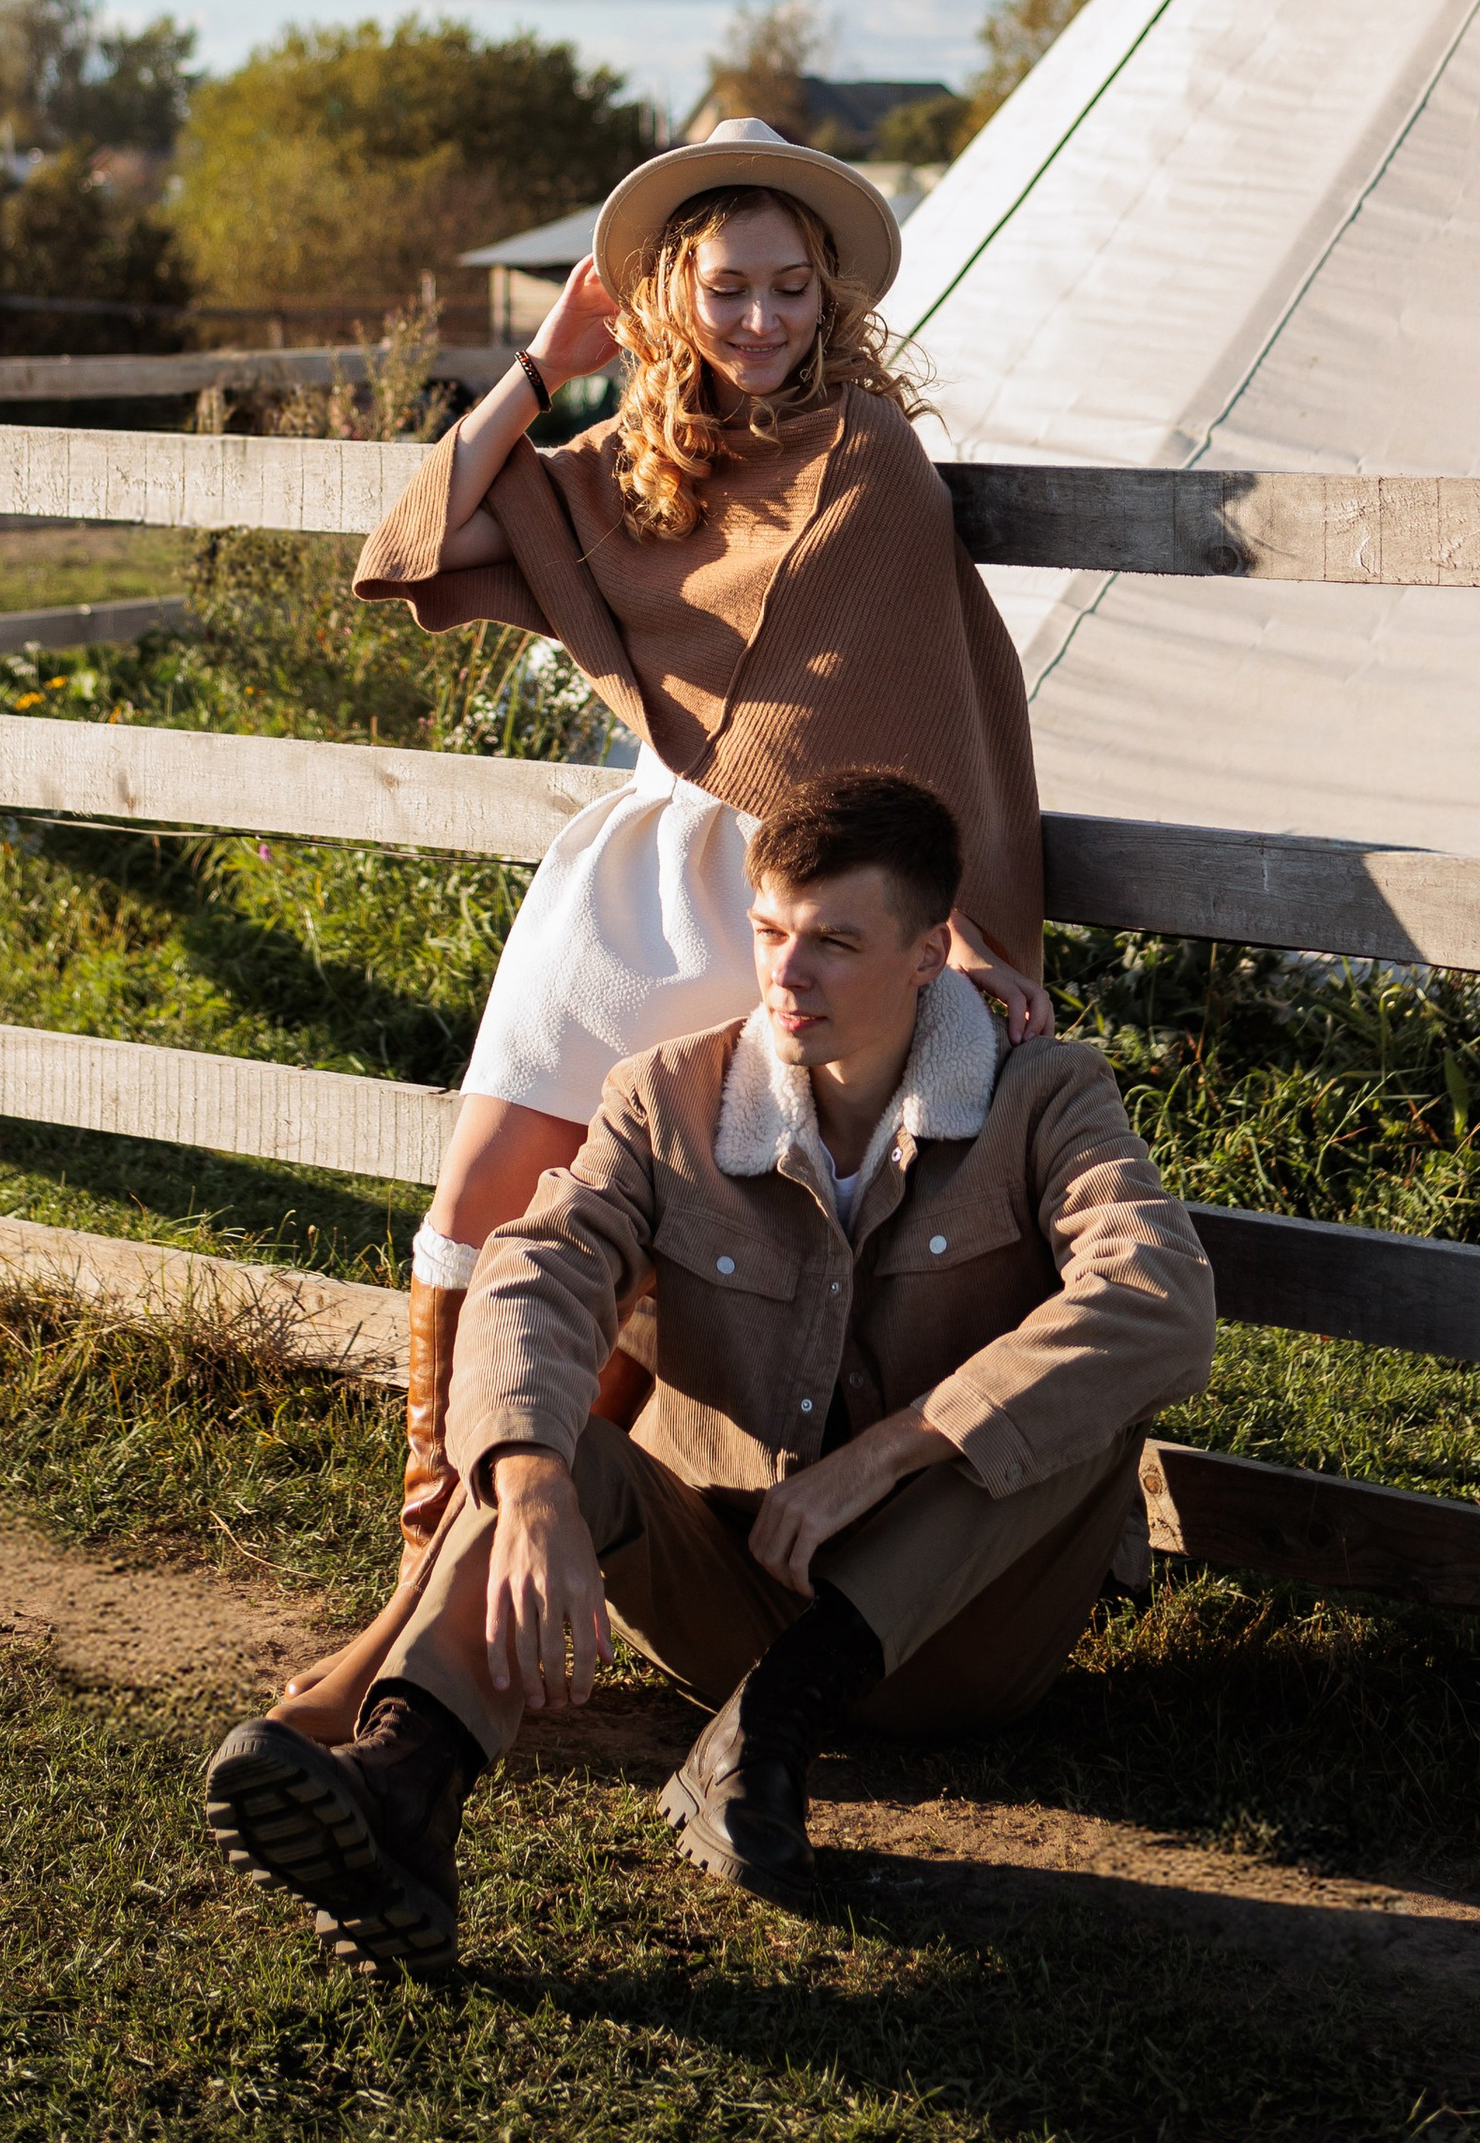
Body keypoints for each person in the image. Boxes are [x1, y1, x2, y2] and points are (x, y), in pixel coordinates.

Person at [274, 116, 1053, 1745]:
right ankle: (417, 1598)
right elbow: (410, 540)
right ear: (670, 294)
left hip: (779, 911)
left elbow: (923, 717)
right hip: (629, 883)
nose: (759, 320)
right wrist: (551, 359)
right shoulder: (629, 462)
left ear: (827, 298)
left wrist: (970, 929)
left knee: (655, 1261)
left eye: (788, 288)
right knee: (482, 1209)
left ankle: (444, 1648)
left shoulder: (870, 461)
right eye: (726, 287)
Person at [204, 765, 1215, 1980]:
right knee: (537, 1430)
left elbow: (1158, 1300)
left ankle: (768, 1738)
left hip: (959, 1641)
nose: (788, 976)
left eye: (837, 942)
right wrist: (528, 1489)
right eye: (771, 933)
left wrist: (894, 1450)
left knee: (1068, 1405)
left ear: (929, 952)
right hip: (730, 1594)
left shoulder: (1044, 1096)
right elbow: (536, 1273)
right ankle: (403, 1783)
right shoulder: (665, 1098)